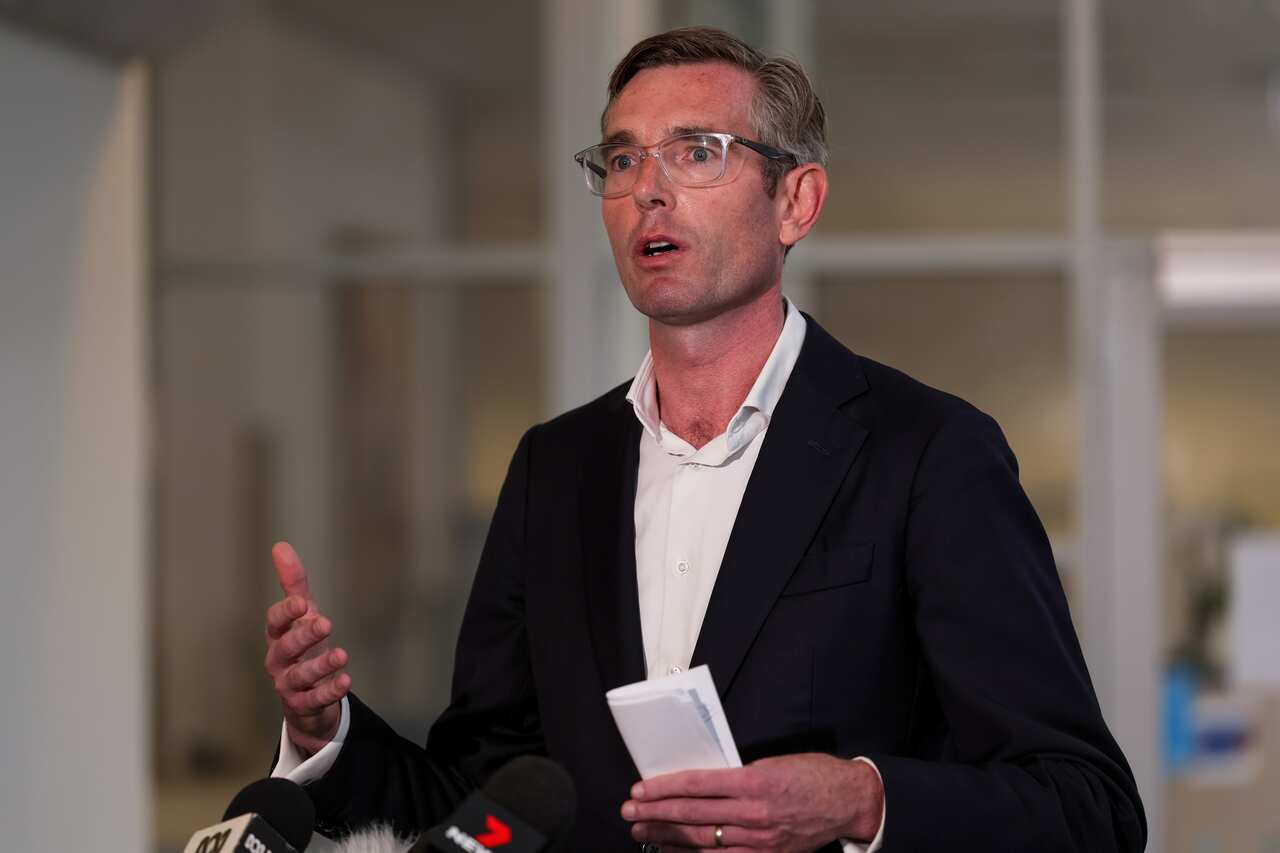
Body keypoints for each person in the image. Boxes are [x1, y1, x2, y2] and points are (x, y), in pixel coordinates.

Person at [262, 27, 1145, 852]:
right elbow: (489, 803)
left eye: (696, 152)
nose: (649, 188)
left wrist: (863, 800)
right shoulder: (553, 470)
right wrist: (327, 734)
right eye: (622, 159)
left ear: (795, 201)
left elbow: (1088, 806)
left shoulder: (929, 453)